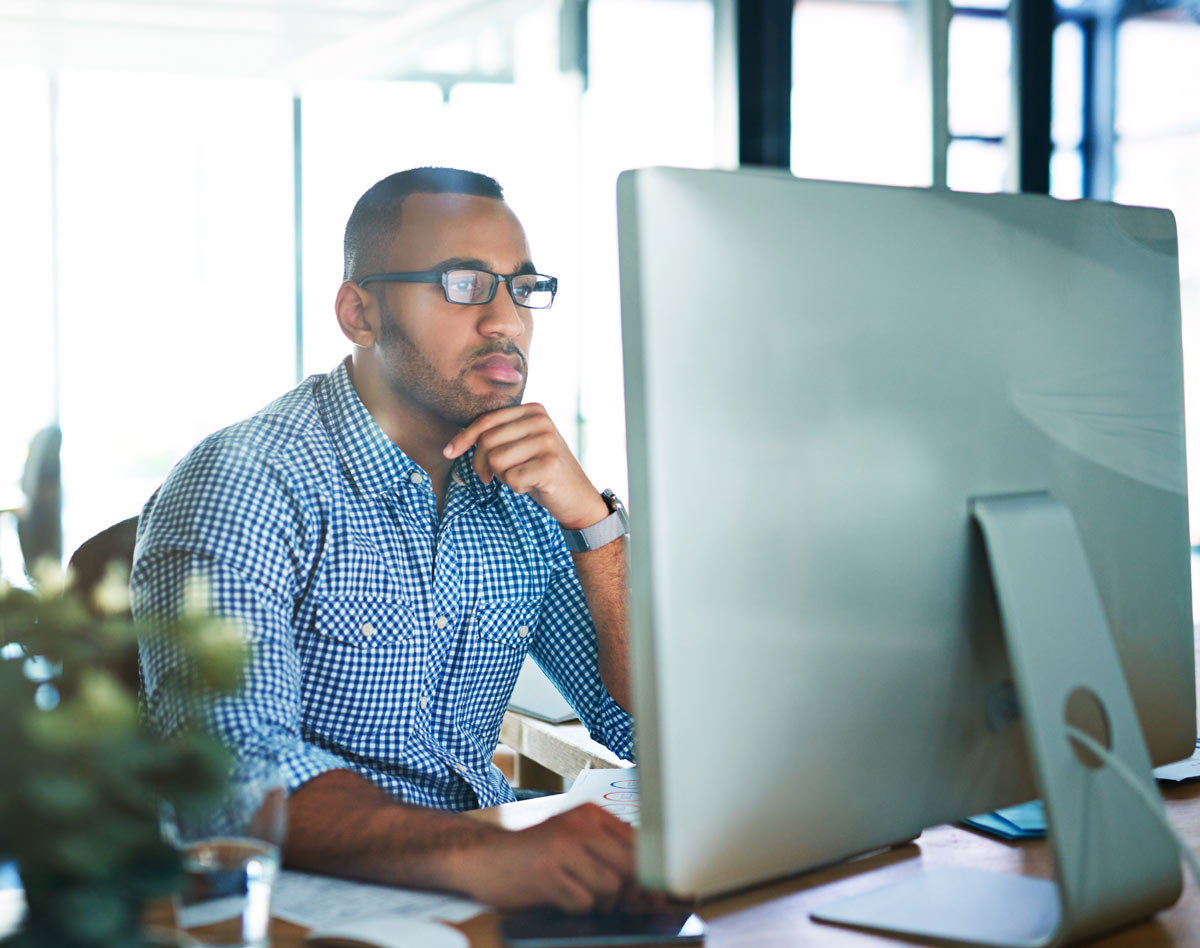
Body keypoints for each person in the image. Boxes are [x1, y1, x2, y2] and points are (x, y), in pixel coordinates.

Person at [132, 167, 638, 911]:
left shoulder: (527, 488)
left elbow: (645, 727)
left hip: (479, 890)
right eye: (465, 284)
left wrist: (597, 526)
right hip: (294, 907)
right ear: (360, 313)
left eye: (522, 289)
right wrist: (485, 852)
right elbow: (234, 777)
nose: (506, 321)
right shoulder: (245, 482)